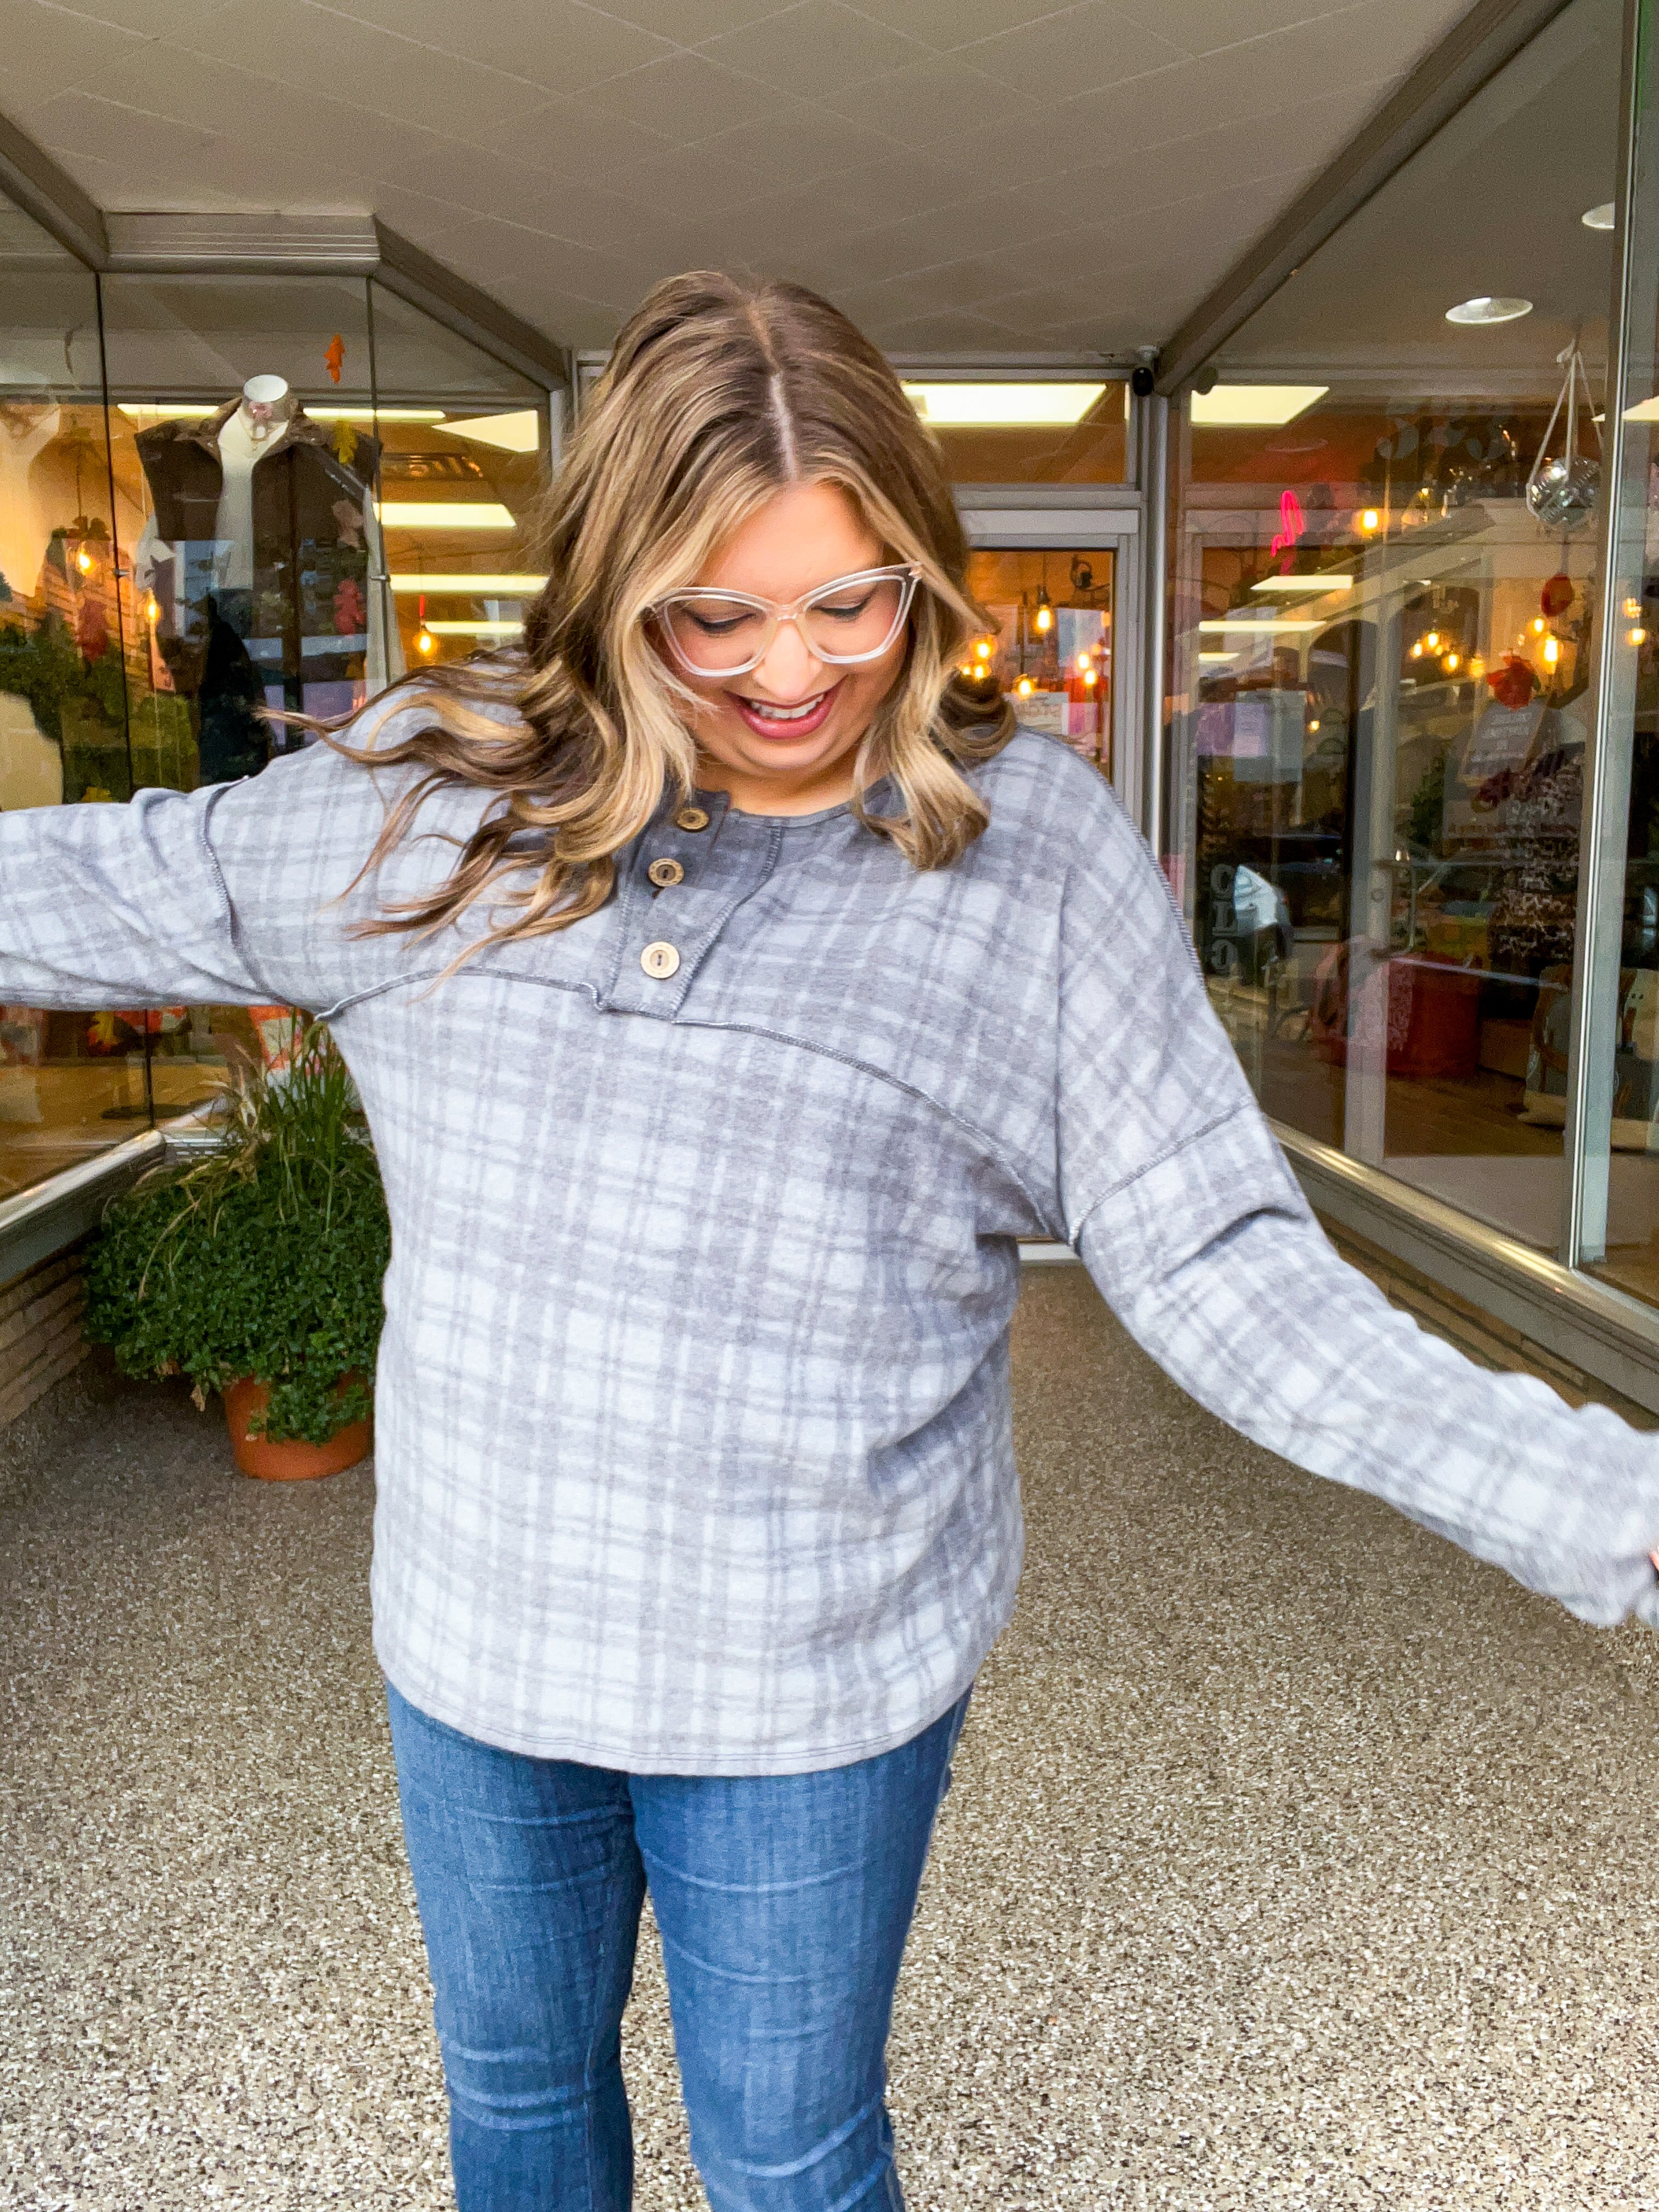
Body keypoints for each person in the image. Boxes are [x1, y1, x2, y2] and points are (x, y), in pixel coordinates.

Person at [5, 272, 1659, 2211]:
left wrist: (1608, 1498)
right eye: (713, 614)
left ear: (923, 581)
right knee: (519, 2126)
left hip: (812, 1680)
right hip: (478, 1640)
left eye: (850, 600)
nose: (792, 673)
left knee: (790, 2158)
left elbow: (1229, 1268)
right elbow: (108, 877)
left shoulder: (1023, 856)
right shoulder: (432, 801)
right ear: (612, 597)